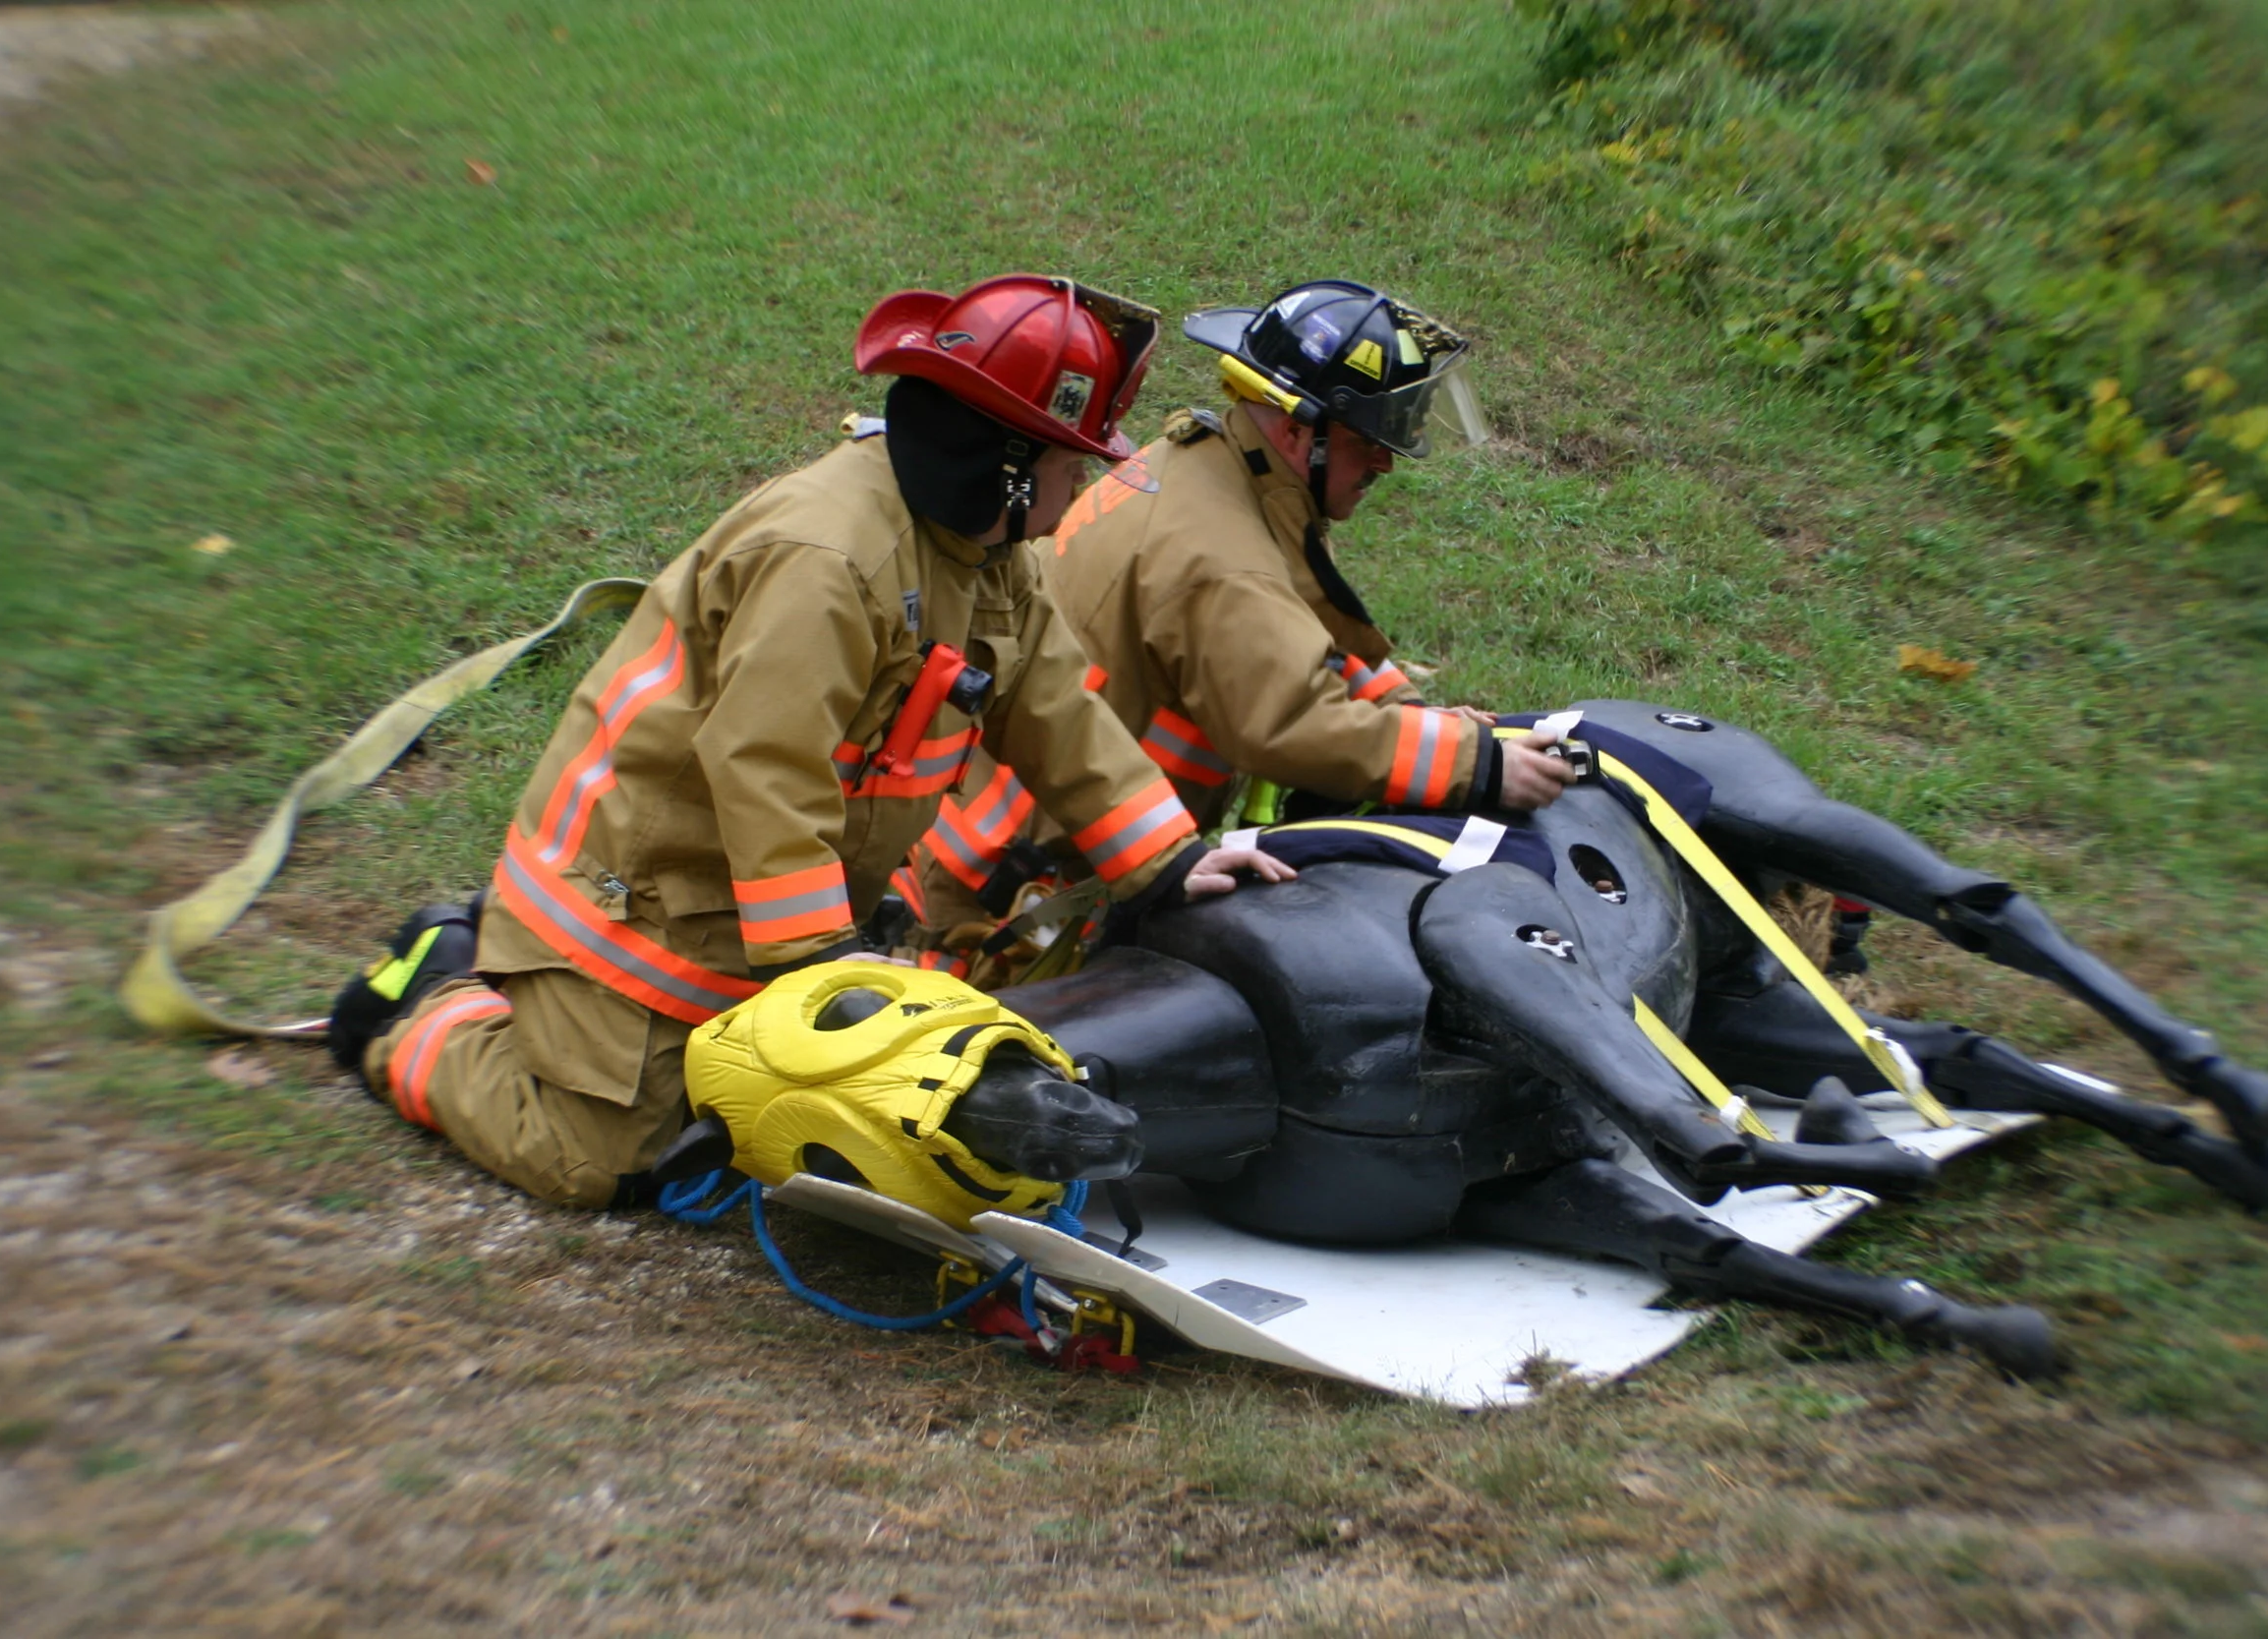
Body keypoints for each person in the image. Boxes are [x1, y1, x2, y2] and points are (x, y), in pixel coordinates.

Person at [324, 275, 1287, 1208]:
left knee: (752, 1133)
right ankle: (432, 1001)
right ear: (998, 464)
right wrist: (824, 976)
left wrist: (1165, 859)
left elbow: (1053, 707)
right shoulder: (828, 560)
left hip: (757, 912)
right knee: (603, 1161)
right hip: (635, 903)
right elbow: (766, 768)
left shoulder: (989, 552)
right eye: (1067, 462)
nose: (1080, 483)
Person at [908, 279, 1575, 956]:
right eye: (1367, 441)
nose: (1385, 462)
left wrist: (1415, 713)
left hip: (1044, 837)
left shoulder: (1213, 467)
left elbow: (1299, 625)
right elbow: (1288, 723)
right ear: (1295, 427)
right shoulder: (1220, 559)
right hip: (1025, 897)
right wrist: (1476, 764)